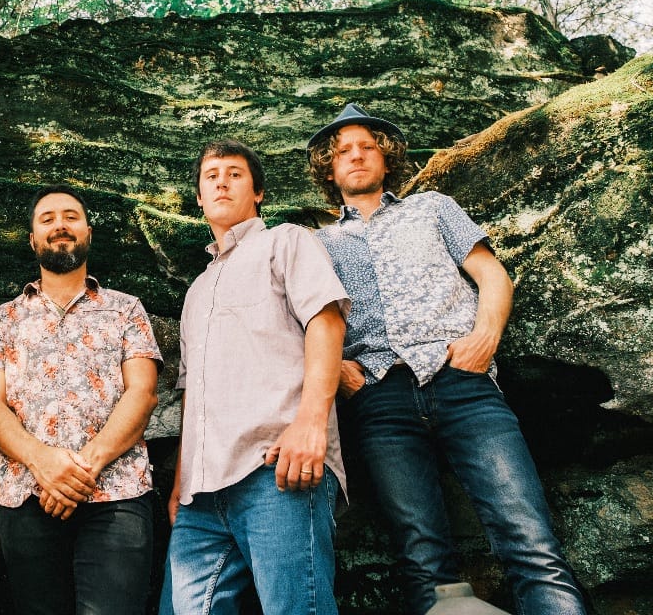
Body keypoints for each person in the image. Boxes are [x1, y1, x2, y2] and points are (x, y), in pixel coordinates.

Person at [307, 103, 588, 615]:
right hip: (381, 398)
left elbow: (492, 275)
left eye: (367, 146)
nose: (356, 155)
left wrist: (485, 337)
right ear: (329, 167)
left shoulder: (433, 207)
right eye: (342, 150)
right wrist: (337, 370)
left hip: (463, 383)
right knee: (422, 559)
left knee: (530, 541)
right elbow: (307, 320)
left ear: (386, 158)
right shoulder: (316, 244)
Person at [160, 139, 349, 615]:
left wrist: (311, 426)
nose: (221, 180)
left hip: (278, 470)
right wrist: (181, 481)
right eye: (210, 175)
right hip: (200, 497)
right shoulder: (197, 291)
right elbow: (191, 391)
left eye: (235, 173)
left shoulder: (287, 241)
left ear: (259, 191)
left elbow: (326, 323)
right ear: (199, 198)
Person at [0, 184, 163, 615]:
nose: (60, 225)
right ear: (32, 239)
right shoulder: (3, 319)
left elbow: (144, 391)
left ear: (89, 232)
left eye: (71, 216)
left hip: (117, 492)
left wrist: (83, 469)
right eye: (47, 219)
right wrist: (43, 462)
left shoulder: (127, 309)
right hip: (26, 493)